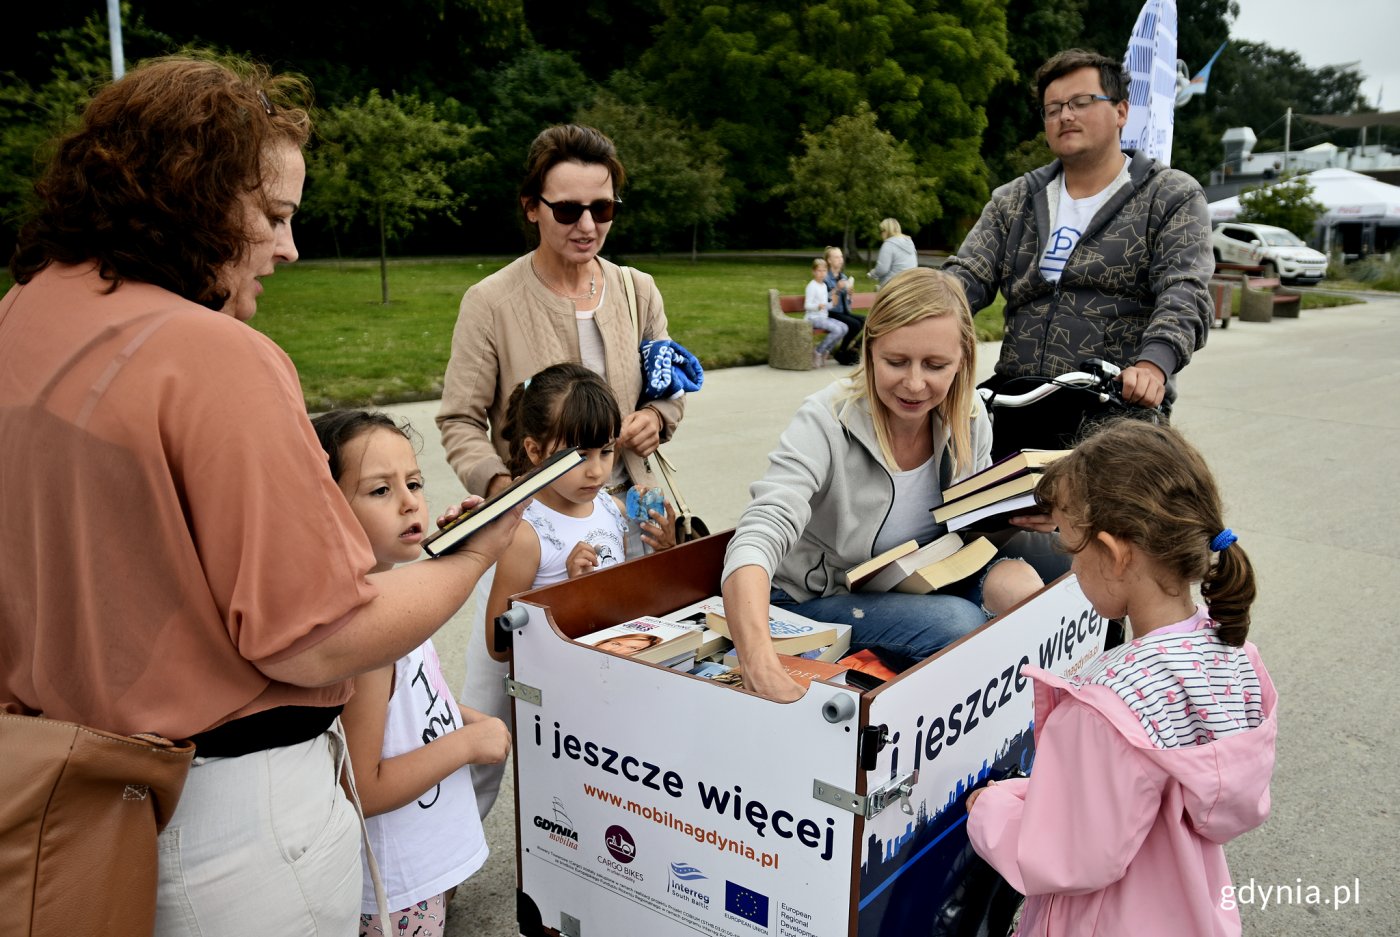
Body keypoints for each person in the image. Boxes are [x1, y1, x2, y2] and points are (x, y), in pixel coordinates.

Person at [0, 55, 522, 935]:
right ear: (189, 195)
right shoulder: (217, 355)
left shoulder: (20, 316)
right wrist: (475, 552)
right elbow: (320, 641)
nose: (289, 248)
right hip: (228, 824)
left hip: (66, 789)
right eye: (274, 215)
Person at [436, 124, 686, 819]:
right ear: (531, 207)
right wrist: (504, 496)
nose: (586, 224)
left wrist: (656, 418)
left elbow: (670, 387)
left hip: (627, 510)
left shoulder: (638, 289)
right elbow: (458, 418)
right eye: (568, 209)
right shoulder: (490, 302)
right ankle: (442, 869)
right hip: (532, 519)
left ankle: (604, 848)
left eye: (602, 209)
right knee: (494, 699)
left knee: (622, 688)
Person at [966, 419, 1277, 937]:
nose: (1071, 567)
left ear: (1112, 554)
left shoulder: (1106, 708)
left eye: (1070, 548)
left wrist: (992, 808)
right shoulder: (1236, 655)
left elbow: (1068, 857)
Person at [721, 268, 1044, 702]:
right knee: (957, 625)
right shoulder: (825, 418)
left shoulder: (967, 416)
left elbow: (971, 526)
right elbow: (761, 530)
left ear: (963, 359)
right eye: (896, 362)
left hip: (915, 580)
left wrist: (1016, 510)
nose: (914, 384)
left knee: (1024, 587)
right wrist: (757, 659)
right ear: (870, 350)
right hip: (815, 596)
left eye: (935, 365)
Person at [944, 48, 1213, 454]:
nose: (1064, 115)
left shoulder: (1170, 194)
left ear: (1121, 111)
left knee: (1105, 514)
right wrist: (920, 310)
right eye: (1052, 109)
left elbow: (1185, 291)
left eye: (1081, 102)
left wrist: (1153, 364)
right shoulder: (1015, 199)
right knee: (966, 498)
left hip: (1115, 404)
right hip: (1019, 396)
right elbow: (968, 274)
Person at [312, 410, 512, 937]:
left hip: (421, 865)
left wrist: (469, 720)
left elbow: (413, 706)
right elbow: (366, 786)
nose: (409, 502)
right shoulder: (369, 639)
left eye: (414, 483)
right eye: (380, 491)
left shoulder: (400, 600)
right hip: (394, 887)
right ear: (326, 508)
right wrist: (469, 745)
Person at [485, 363, 677, 633]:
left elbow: (623, 601)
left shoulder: (613, 509)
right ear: (535, 451)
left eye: (607, 451)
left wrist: (666, 551)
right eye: (579, 456)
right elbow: (499, 644)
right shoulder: (525, 535)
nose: (596, 472)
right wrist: (573, 592)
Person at [804, 256, 849, 368]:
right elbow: (807, 305)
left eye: (824, 271)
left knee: (844, 328)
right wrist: (817, 306)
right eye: (819, 271)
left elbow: (825, 306)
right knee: (837, 329)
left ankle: (826, 351)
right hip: (812, 318)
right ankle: (818, 351)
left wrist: (831, 304)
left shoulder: (824, 286)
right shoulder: (812, 286)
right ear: (814, 272)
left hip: (823, 317)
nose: (822, 273)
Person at [823, 246, 864, 366]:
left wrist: (850, 295)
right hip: (831, 312)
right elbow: (824, 299)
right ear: (829, 260)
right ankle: (841, 351)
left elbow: (847, 302)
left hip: (843, 311)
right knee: (855, 324)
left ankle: (854, 348)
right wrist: (837, 288)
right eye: (836, 257)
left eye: (841, 256)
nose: (840, 260)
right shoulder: (825, 278)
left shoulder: (844, 277)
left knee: (868, 322)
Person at [868, 218, 918, 288]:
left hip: (893, 285)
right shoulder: (910, 243)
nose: (881, 233)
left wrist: (872, 274)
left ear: (887, 231)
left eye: (882, 230)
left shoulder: (889, 244)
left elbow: (882, 269)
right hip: (909, 283)